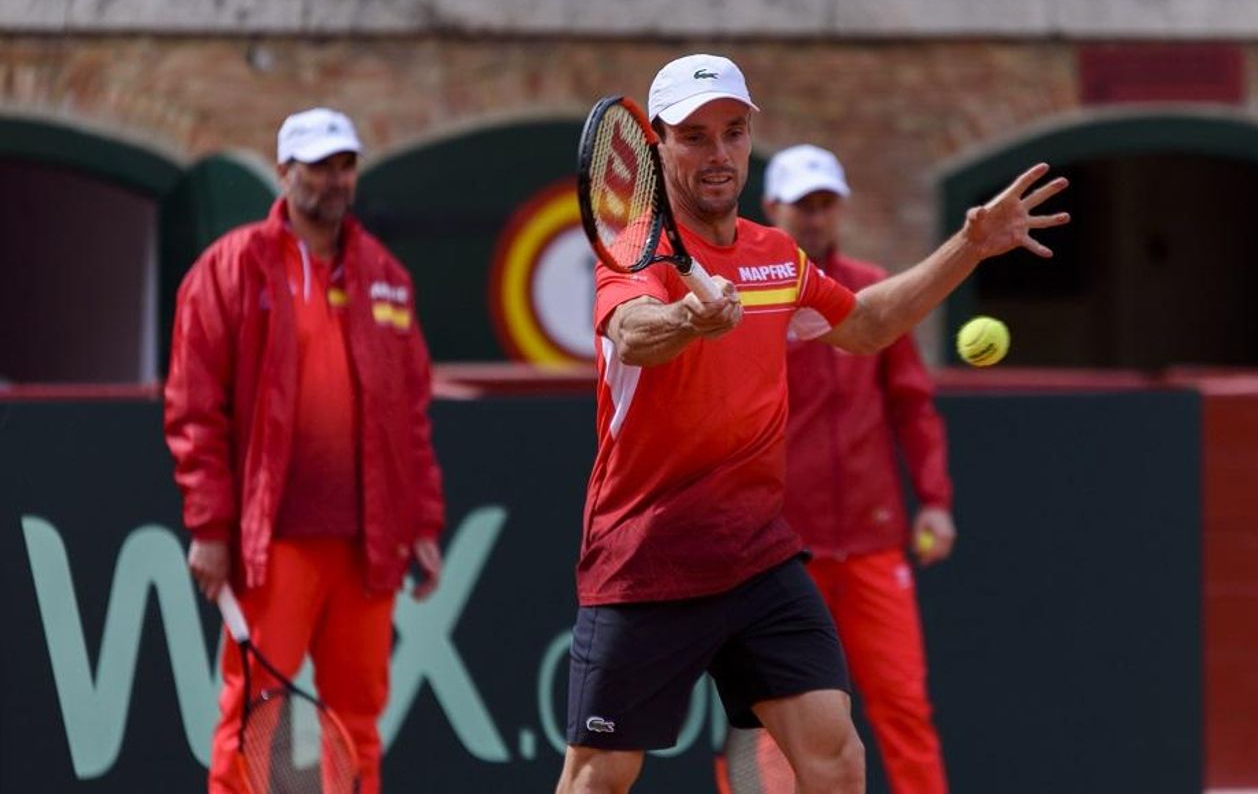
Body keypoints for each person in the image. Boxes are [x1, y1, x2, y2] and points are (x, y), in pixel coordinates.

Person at [558, 54, 1067, 794]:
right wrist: (687, 320)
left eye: (733, 133)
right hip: (649, 553)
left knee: (834, 758)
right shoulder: (637, 251)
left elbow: (865, 326)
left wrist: (969, 246)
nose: (719, 154)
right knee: (599, 775)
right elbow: (633, 332)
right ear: (657, 144)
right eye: (695, 137)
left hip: (759, 554)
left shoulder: (775, 256)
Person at [163, 107, 446, 793]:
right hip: (274, 541)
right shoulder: (228, 269)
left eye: (344, 165)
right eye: (318, 166)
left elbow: (410, 415)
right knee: (251, 717)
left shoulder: (387, 275)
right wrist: (209, 525)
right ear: (285, 170)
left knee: (360, 724)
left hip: (367, 542)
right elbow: (194, 408)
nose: (334, 179)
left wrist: (423, 523)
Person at [713, 144, 955, 794]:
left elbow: (912, 406)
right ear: (773, 209)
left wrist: (933, 498)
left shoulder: (872, 291)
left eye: (825, 204)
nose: (815, 218)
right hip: (782, 553)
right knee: (767, 716)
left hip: (873, 544)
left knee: (903, 706)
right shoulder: (750, 295)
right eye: (803, 205)